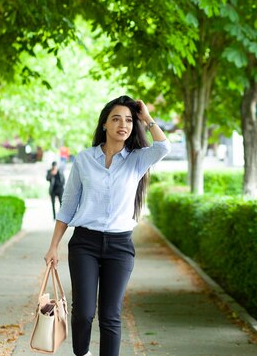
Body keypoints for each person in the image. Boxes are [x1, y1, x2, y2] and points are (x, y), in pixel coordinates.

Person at [44, 96, 170, 356]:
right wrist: (53, 246)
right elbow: (67, 206)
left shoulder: (137, 160)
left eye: (128, 120)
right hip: (84, 244)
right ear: (104, 124)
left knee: (110, 314)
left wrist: (146, 118)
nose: (123, 125)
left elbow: (163, 147)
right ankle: (82, 353)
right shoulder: (84, 160)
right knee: (84, 312)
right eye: (116, 119)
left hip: (120, 246)